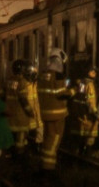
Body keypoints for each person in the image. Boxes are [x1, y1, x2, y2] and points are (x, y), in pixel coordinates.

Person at [37, 48, 75, 177]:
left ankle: (44, 164)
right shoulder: (58, 75)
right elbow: (60, 94)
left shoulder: (42, 74)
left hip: (45, 113)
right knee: (53, 141)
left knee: (47, 138)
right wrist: (73, 91)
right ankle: (48, 169)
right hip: (57, 114)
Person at [5, 59, 42, 160]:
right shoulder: (23, 82)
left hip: (10, 117)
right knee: (21, 140)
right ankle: (19, 156)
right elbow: (23, 99)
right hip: (21, 117)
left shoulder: (9, 80)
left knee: (11, 137)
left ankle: (10, 154)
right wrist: (30, 112)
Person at [71, 65, 99, 156]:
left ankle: (82, 152)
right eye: (92, 71)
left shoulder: (83, 83)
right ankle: (86, 153)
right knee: (90, 134)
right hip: (88, 114)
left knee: (83, 134)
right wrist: (93, 112)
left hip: (84, 113)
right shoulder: (87, 84)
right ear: (87, 72)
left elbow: (81, 97)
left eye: (95, 72)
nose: (95, 73)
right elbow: (86, 99)